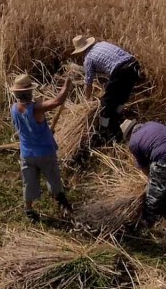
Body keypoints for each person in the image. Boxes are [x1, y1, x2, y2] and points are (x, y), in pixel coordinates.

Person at [9, 74, 74, 221]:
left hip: (26, 154)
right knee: (53, 178)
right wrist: (67, 84)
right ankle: (62, 203)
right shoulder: (36, 109)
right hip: (45, 153)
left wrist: (45, 131)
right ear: (30, 92)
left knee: (29, 181)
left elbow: (28, 128)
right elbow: (58, 101)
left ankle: (29, 210)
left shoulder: (14, 109)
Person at [71, 35, 142, 140]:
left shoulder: (88, 58)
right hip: (134, 65)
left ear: (80, 51)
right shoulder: (102, 44)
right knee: (123, 97)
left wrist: (87, 101)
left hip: (121, 71)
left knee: (106, 104)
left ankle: (104, 130)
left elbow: (88, 82)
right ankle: (117, 116)